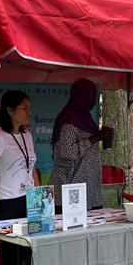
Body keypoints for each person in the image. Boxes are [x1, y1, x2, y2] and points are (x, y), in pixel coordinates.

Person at [49, 78, 113, 210]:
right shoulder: (69, 119)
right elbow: (67, 152)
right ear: (83, 96)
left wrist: (104, 137)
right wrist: (95, 138)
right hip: (70, 189)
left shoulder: (85, 117)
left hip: (88, 190)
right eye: (93, 96)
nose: (95, 100)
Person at [0, 90, 41, 220]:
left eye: (29, 107)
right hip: (7, 202)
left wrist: (39, 194)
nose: (29, 112)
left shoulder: (27, 135)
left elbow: (31, 168)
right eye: (24, 108)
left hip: (30, 199)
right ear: (10, 110)